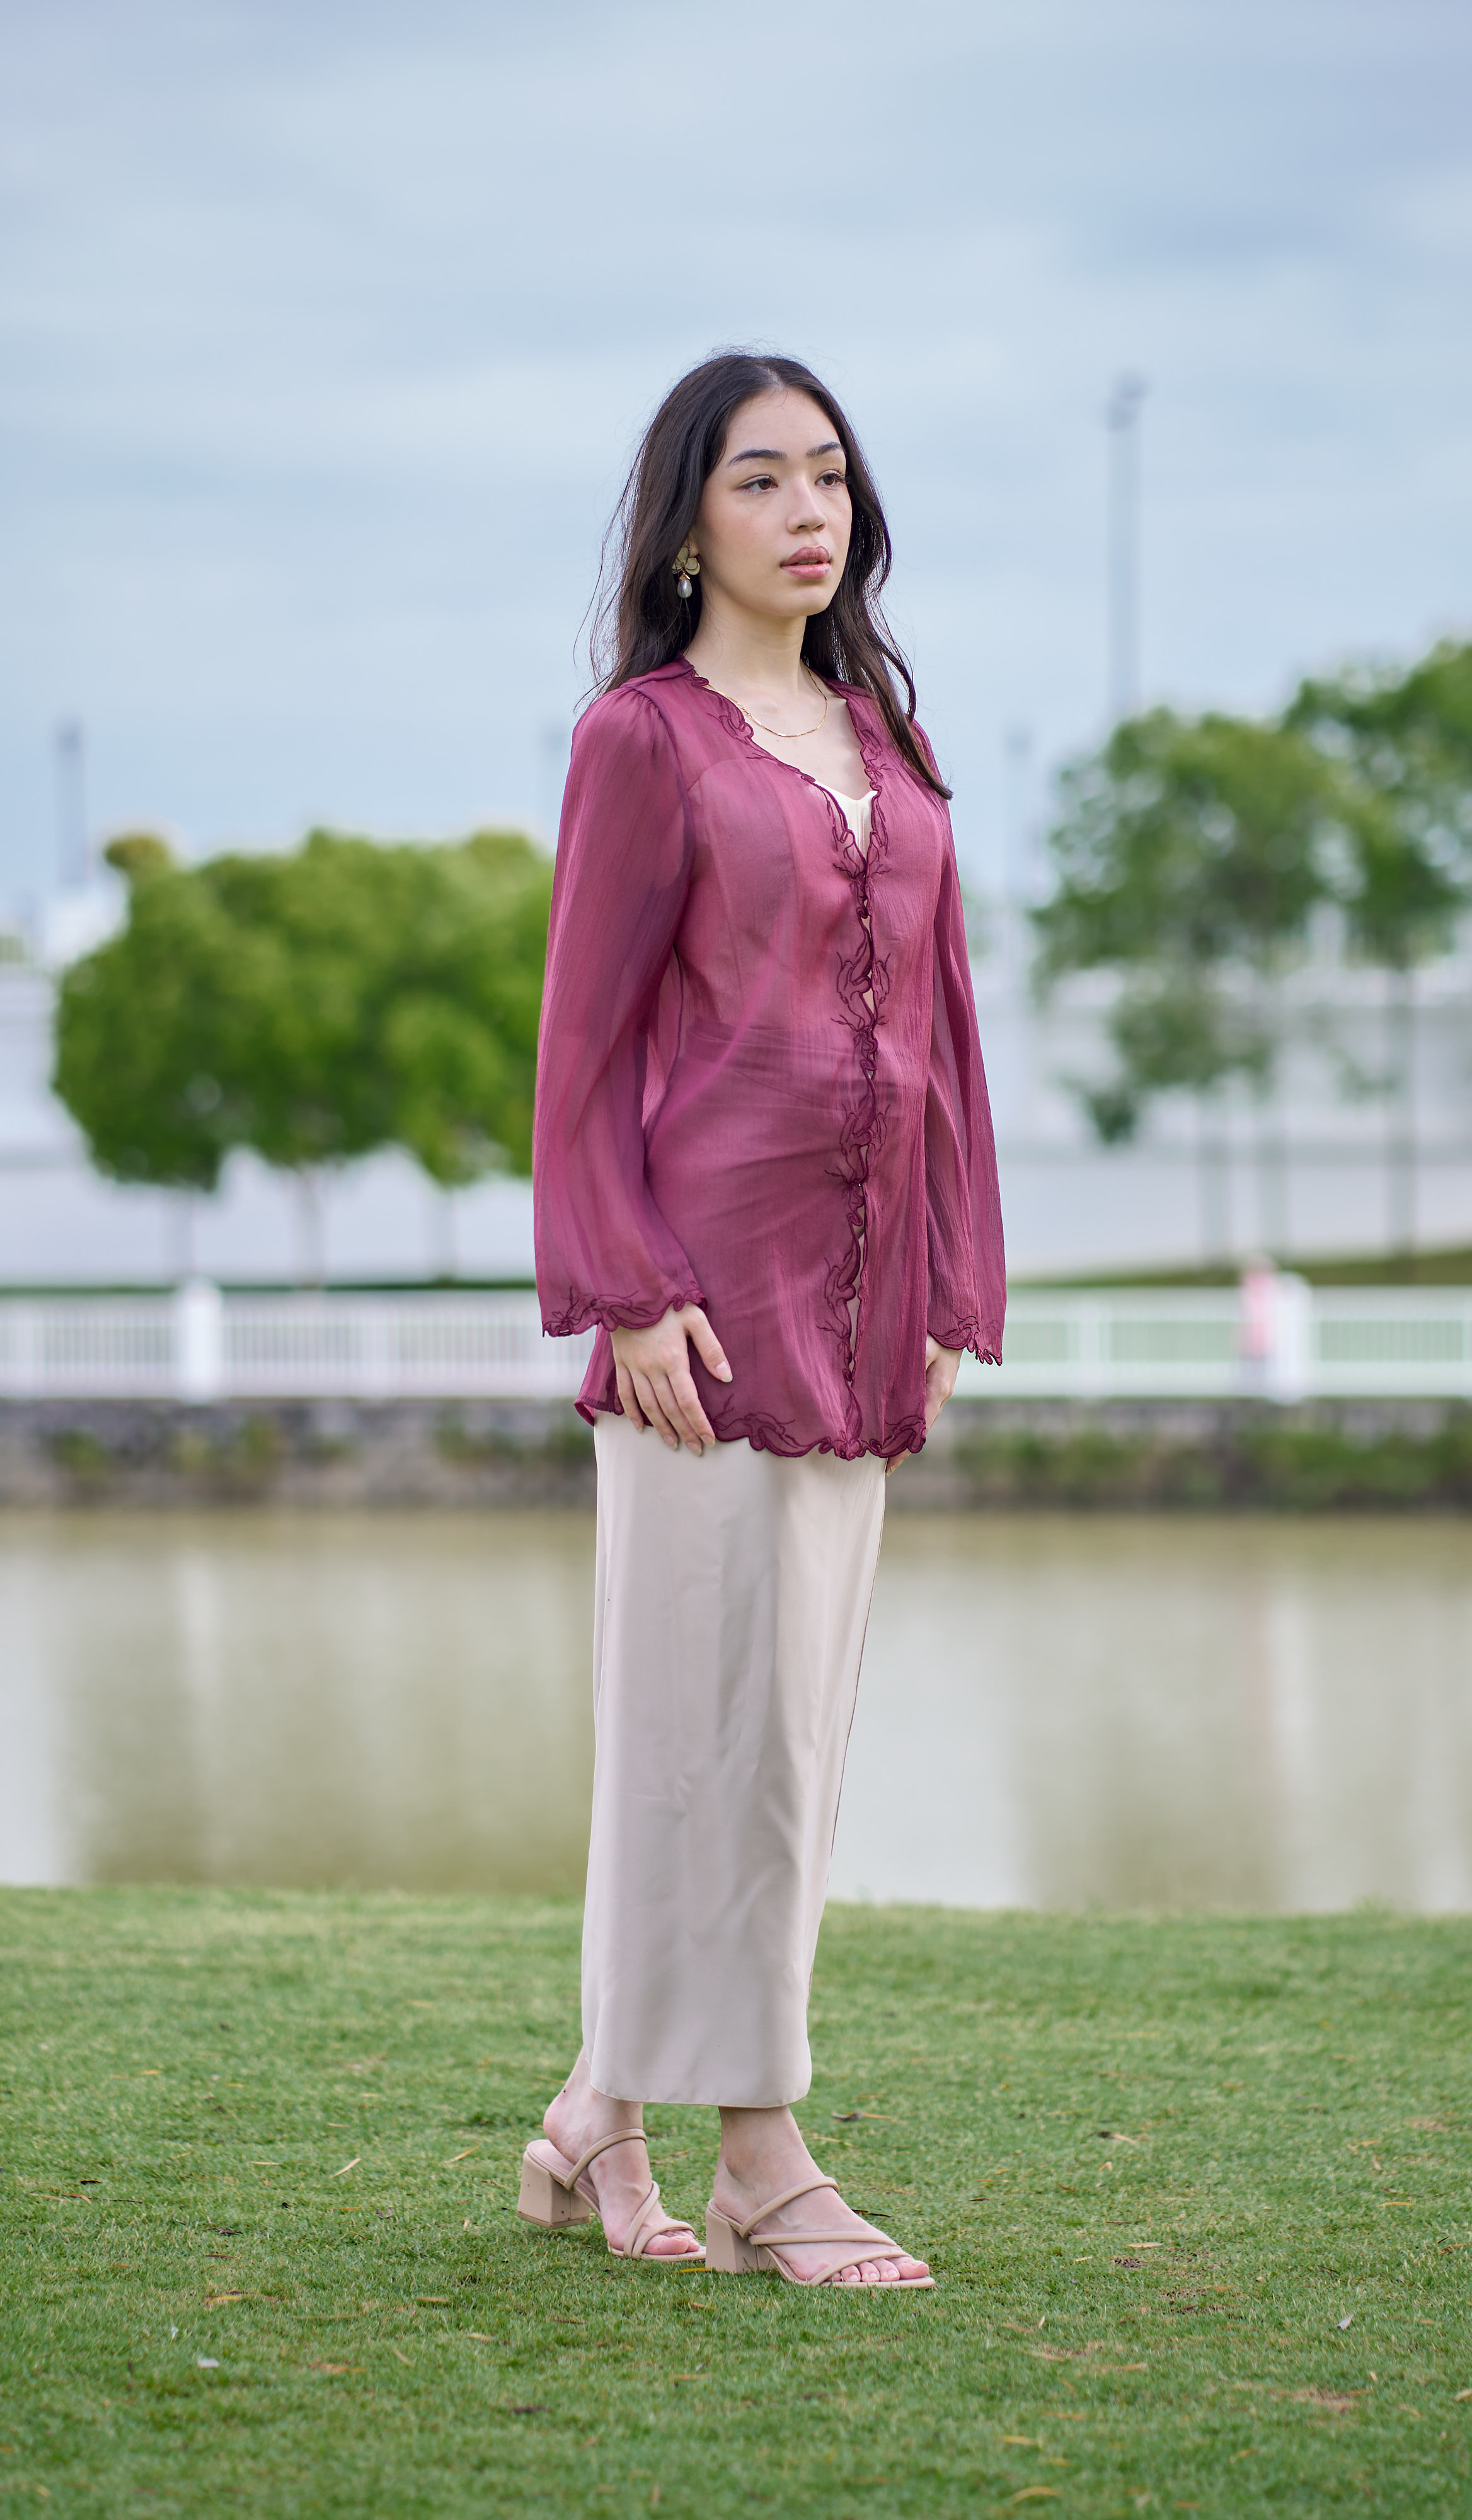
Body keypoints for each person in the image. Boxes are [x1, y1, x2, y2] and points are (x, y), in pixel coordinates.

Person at [520, 350, 1006, 2286]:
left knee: (783, 1737)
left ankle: (593, 2118)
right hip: (700, 1313)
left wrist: (955, 1281)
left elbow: (952, 1036)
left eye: (831, 479)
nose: (809, 512)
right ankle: (764, 2156)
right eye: (761, 482)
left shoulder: (879, 732)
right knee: (693, 1739)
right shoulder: (644, 738)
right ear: (688, 519)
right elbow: (585, 1039)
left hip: (866, 1304)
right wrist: (627, 1284)